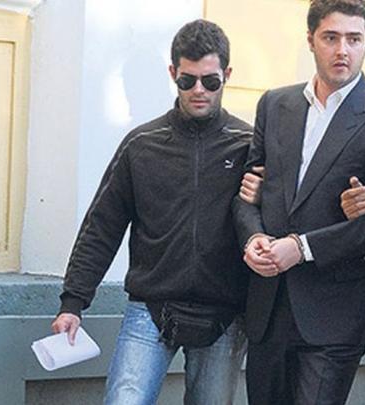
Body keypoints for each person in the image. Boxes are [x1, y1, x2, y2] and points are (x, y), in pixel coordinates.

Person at [50, 20, 252, 405]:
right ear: (173, 73)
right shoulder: (141, 145)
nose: (198, 90)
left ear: (227, 75)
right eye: (187, 80)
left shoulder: (248, 144)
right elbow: (102, 227)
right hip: (150, 309)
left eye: (210, 81)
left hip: (224, 313)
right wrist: (73, 303)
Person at [232, 0, 365, 403]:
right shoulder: (275, 104)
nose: (342, 50)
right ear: (310, 40)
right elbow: (249, 192)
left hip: (336, 312)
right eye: (331, 38)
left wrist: (301, 247)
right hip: (268, 304)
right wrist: (253, 238)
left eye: (354, 39)